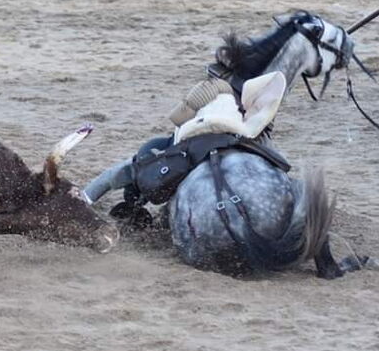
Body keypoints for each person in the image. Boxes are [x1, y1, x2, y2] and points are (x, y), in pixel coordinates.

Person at [84, 19, 297, 224]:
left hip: (198, 133)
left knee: (132, 166)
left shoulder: (206, 88)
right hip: (235, 135)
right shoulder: (243, 97)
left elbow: (177, 118)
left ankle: (86, 198)